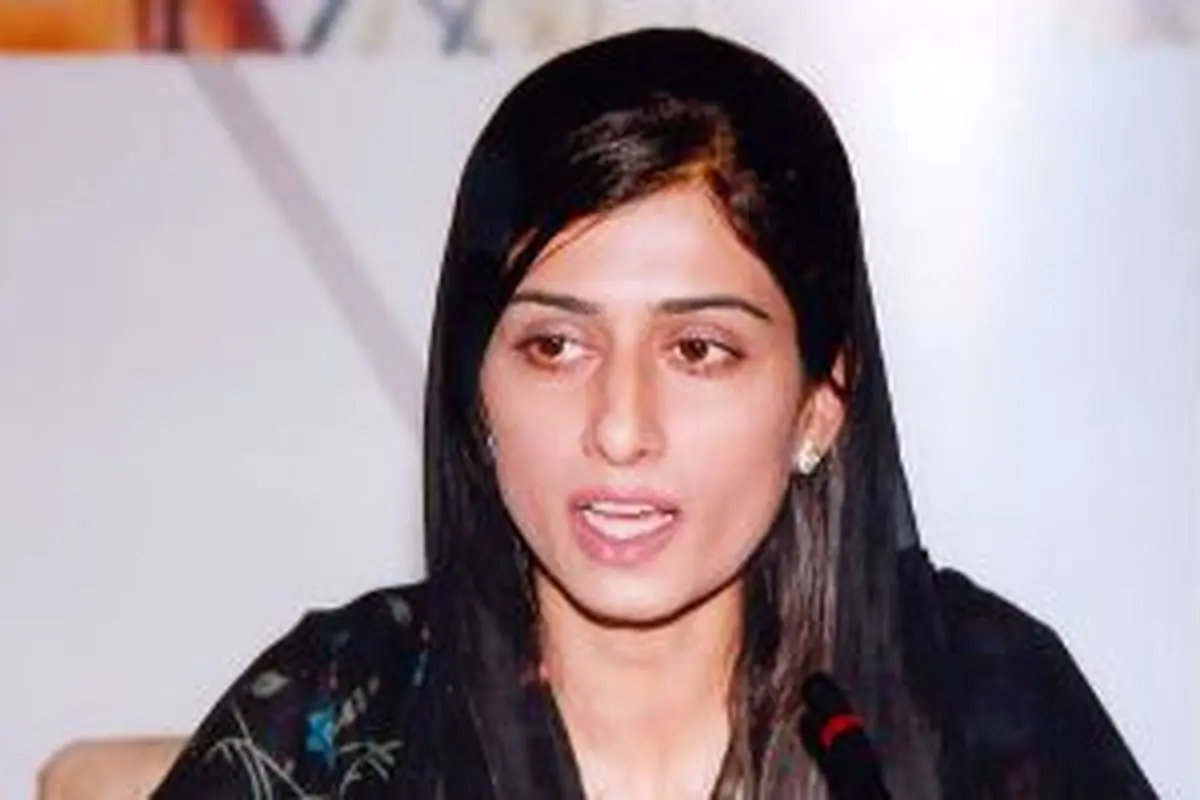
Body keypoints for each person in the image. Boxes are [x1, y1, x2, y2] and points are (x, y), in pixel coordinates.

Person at [152, 28, 1155, 799]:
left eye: (698, 350)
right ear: (477, 387)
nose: (621, 427)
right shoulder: (338, 721)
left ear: (819, 402)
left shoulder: (978, 706)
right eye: (556, 346)